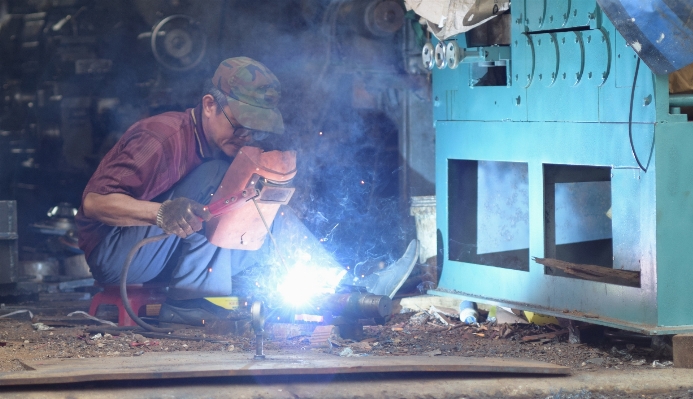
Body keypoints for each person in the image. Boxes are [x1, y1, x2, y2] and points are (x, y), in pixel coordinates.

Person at [76, 57, 416, 327]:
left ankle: (350, 284)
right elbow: (93, 203)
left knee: (257, 199)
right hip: (118, 256)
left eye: (255, 130)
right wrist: (159, 212)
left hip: (164, 253)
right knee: (219, 175)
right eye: (239, 126)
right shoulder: (161, 138)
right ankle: (188, 302)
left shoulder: (226, 145)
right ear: (209, 105)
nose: (246, 137)